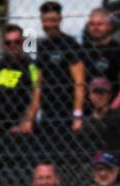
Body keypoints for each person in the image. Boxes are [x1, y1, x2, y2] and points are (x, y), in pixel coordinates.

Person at [36, 2, 85, 137]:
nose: (49, 25)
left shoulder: (70, 44)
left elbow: (79, 82)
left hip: (66, 112)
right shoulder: (42, 46)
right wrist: (32, 115)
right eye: (46, 20)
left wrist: (77, 115)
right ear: (41, 20)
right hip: (47, 112)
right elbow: (38, 84)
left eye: (53, 20)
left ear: (60, 20)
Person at [0, 24, 40, 135]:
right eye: (8, 43)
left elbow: (37, 95)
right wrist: (4, 82)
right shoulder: (1, 63)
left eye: (17, 42)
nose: (12, 46)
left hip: (25, 126)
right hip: (3, 125)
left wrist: (27, 121)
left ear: (23, 42)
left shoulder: (31, 65)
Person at [82, 8, 120, 110]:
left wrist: (112, 109)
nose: (95, 28)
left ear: (109, 26)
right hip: (86, 112)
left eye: (100, 24)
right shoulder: (83, 50)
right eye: (92, 24)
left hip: (110, 111)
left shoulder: (119, 51)